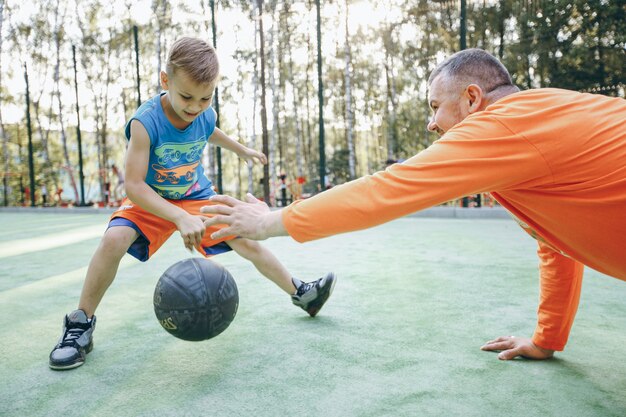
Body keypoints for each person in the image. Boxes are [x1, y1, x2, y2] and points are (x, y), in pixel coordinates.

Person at [201, 48, 626, 361]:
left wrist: (269, 221)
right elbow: (553, 243)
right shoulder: (536, 125)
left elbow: (387, 189)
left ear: (472, 99)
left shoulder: (505, 127)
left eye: (436, 107)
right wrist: (547, 338)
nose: (431, 122)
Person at [49, 37, 336, 370]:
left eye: (206, 97)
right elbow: (134, 185)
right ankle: (80, 324)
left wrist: (239, 149)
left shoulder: (203, 112)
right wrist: (176, 217)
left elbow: (208, 128)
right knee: (113, 239)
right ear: (165, 80)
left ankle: (302, 293)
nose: (195, 106)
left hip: (196, 194)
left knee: (243, 236)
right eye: (186, 96)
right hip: (152, 198)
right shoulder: (146, 123)